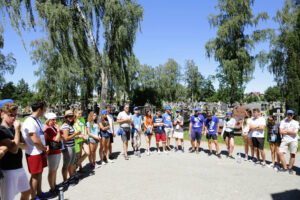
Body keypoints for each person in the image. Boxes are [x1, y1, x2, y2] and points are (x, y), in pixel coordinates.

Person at [22, 100, 52, 200]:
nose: (45, 111)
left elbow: (40, 136)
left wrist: (45, 147)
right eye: (44, 109)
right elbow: (34, 140)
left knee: (39, 173)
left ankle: (39, 193)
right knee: (34, 175)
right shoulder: (30, 121)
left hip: (40, 151)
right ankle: (33, 197)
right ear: (39, 109)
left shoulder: (37, 120)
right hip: (33, 152)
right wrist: (44, 148)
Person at [0, 102, 31, 200]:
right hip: (8, 169)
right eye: (10, 115)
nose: (13, 118)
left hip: (19, 167)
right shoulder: (2, 130)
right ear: (2, 114)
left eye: (15, 115)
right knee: (8, 198)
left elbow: (26, 146)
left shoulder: (14, 128)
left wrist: (15, 143)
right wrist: (17, 132)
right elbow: (14, 150)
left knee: (27, 192)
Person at [61, 110, 81, 189]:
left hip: (72, 146)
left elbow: (70, 137)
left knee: (71, 164)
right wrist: (75, 134)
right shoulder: (65, 126)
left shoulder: (69, 125)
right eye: (69, 116)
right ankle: (65, 181)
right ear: (65, 117)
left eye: (72, 116)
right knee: (66, 165)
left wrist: (77, 137)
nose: (71, 118)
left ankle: (71, 178)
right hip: (67, 148)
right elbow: (66, 138)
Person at [44, 113, 62, 197]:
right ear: (48, 120)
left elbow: (61, 137)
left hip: (57, 151)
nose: (55, 121)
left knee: (55, 170)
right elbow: (57, 139)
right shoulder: (48, 129)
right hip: (52, 152)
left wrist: (58, 131)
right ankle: (52, 188)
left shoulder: (52, 127)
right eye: (53, 120)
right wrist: (58, 131)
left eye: (55, 119)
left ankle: (54, 185)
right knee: (52, 171)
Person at [278, 110, 299, 174]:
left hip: (293, 140)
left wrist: (286, 131)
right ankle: (285, 168)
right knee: (280, 153)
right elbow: (281, 131)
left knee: (292, 154)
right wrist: (290, 131)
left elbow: (295, 132)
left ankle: (290, 168)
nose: (289, 116)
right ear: (286, 115)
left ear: (293, 115)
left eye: (291, 114)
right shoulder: (283, 122)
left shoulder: (296, 122)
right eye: (288, 114)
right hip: (285, 139)